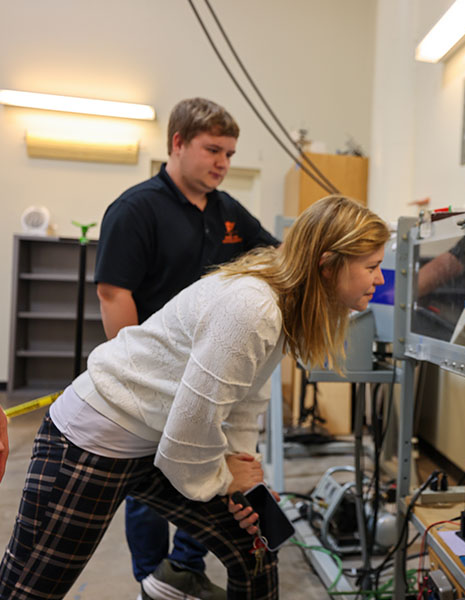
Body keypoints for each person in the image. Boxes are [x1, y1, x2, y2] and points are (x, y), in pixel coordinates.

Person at [0, 195, 390, 600]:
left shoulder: (283, 301)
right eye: (372, 268)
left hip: (156, 439)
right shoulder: (253, 308)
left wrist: (242, 476)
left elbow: (245, 402)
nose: (379, 281)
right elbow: (190, 429)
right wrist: (223, 479)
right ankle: (163, 583)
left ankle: (168, 583)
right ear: (327, 264)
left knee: (253, 545)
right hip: (96, 439)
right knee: (29, 590)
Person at [94, 97, 279, 599]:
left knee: (205, 471)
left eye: (230, 153)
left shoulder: (228, 212)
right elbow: (114, 294)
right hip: (152, 376)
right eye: (212, 149)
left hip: (206, 371)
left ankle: (183, 569)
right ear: (177, 143)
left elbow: (276, 259)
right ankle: (149, 580)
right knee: (151, 483)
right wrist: (137, 376)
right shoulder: (137, 209)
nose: (222, 162)